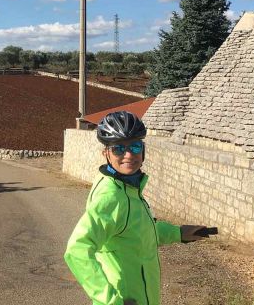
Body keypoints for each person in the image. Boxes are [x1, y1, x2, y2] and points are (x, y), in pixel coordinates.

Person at [64, 111, 209, 305]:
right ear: (105, 153)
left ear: (143, 149)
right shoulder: (112, 196)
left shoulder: (128, 188)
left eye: (135, 145)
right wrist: (110, 301)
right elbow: (77, 250)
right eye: (118, 149)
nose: (129, 154)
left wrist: (178, 233)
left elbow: (137, 232)